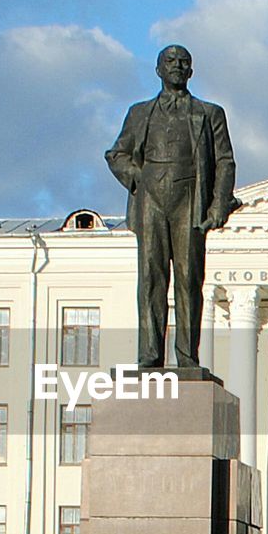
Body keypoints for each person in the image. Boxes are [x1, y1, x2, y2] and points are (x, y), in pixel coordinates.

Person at [105, 45, 240, 368]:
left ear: (191, 72)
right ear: (158, 70)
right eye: (171, 62)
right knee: (151, 279)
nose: (177, 66)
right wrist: (138, 177)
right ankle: (149, 355)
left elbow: (224, 161)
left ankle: (186, 356)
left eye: (184, 63)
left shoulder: (208, 113)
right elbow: (117, 154)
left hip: (189, 201)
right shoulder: (140, 113)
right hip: (149, 200)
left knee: (188, 279)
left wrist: (219, 203)